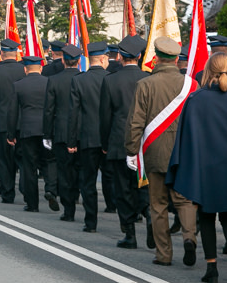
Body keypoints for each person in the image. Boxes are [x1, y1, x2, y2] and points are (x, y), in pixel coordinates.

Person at [168, 51, 227, 283]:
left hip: (204, 167)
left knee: (207, 216)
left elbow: (186, 136)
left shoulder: (196, 98)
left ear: (208, 70)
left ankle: (211, 268)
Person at [126, 36, 198, 267]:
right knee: (185, 201)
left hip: (155, 151)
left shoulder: (145, 85)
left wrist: (131, 149)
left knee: (158, 205)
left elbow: (135, 122)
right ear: (177, 59)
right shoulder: (191, 85)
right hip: (183, 152)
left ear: (156, 58)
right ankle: (189, 237)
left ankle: (164, 254)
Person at [100, 35, 150, 249]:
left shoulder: (110, 80)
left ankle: (129, 233)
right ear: (139, 57)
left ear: (120, 56)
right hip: (145, 141)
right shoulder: (148, 78)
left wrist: (105, 143)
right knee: (144, 186)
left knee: (122, 189)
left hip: (119, 141)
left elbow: (105, 116)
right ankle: (150, 220)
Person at [68, 41, 110, 233]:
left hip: (87, 137)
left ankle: (90, 221)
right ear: (102, 59)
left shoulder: (79, 80)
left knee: (88, 182)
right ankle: (128, 222)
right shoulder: (112, 78)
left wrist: (71, 140)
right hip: (109, 138)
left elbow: (73, 113)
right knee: (116, 179)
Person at [9, 56, 52, 212]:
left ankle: (32, 204)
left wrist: (11, 133)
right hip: (46, 130)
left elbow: (13, 112)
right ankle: (50, 189)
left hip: (27, 130)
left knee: (29, 168)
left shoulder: (18, 85)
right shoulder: (49, 83)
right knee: (48, 162)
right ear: (41, 68)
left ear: (25, 69)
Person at [43, 44, 81, 220]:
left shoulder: (54, 80)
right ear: (79, 61)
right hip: (81, 132)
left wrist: (47, 134)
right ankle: (77, 197)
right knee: (78, 170)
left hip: (60, 131)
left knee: (64, 171)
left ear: (64, 60)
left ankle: (69, 210)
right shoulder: (84, 79)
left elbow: (49, 110)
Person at [0, 39, 27, 202]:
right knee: (24, 159)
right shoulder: (24, 70)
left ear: (1, 54)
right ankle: (26, 190)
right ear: (16, 53)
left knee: (3, 159)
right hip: (22, 122)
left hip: (2, 121)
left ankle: (7, 193)